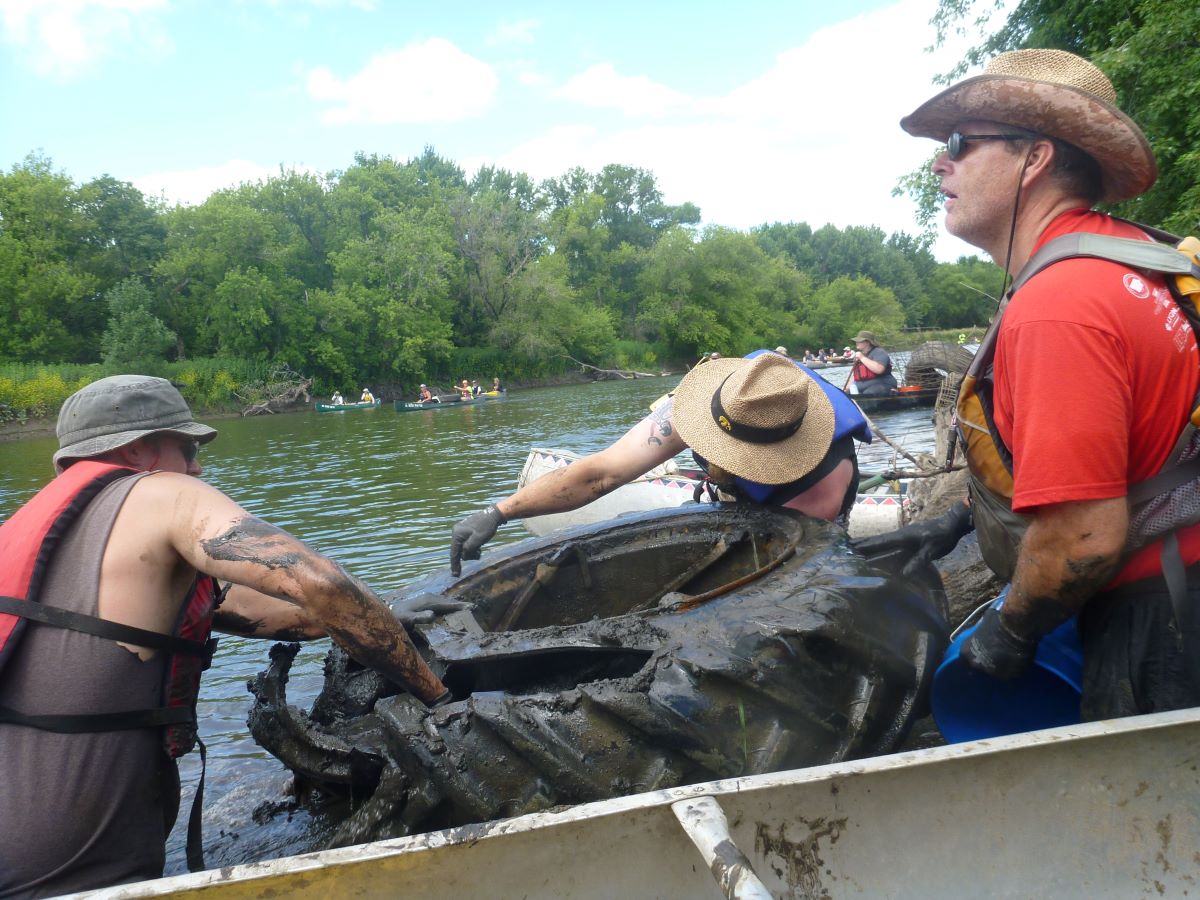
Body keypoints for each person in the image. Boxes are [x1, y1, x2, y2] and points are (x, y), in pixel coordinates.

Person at [0, 375, 451, 894]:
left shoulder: (38, 540)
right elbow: (321, 585)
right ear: (137, 450)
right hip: (70, 862)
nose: (197, 467)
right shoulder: (161, 493)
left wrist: (389, 611)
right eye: (187, 448)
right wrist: (437, 698)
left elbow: (294, 613)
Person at [889, 48, 1200, 719]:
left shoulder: (1060, 303)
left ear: (1034, 159)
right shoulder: (1137, 265)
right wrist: (966, 518)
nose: (941, 163)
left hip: (1166, 626)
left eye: (962, 145)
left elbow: (1083, 541)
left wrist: (1012, 628)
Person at [450, 351, 872, 576]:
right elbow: (601, 474)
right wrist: (498, 513)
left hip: (799, 546)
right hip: (727, 507)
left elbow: (777, 567)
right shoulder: (728, 398)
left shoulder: (821, 483)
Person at [848, 331, 898, 396]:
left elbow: (879, 369)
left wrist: (862, 358)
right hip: (862, 385)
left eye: (859, 341)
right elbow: (855, 373)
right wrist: (848, 386)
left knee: (868, 393)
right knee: (846, 394)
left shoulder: (879, 352)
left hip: (882, 384)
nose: (856, 343)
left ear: (868, 342)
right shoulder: (860, 355)